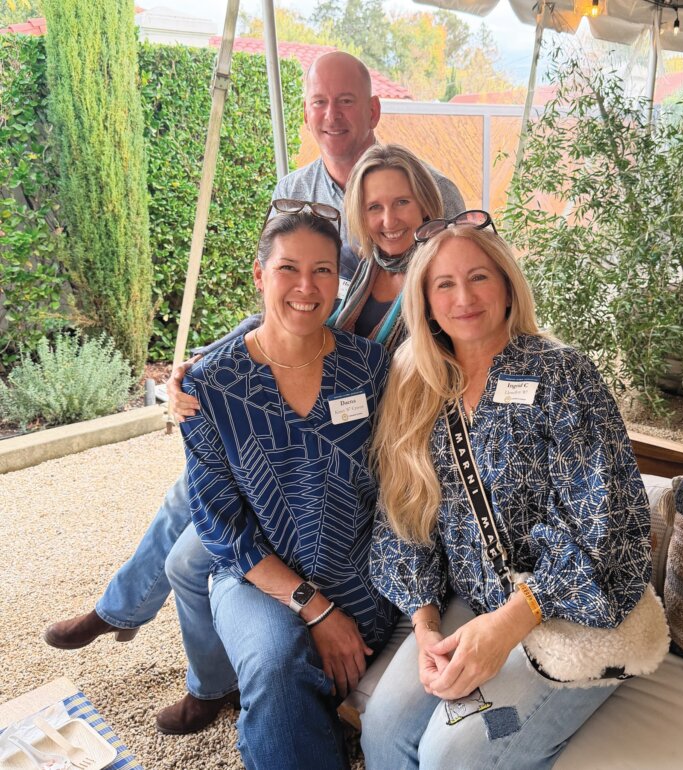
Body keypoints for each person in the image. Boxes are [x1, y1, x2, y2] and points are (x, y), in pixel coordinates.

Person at [43, 131, 456, 734]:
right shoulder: (365, 267)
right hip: (297, 404)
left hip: (356, 442)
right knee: (193, 490)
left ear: (427, 203)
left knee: (190, 561)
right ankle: (163, 644)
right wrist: (203, 364)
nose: (388, 219)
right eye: (374, 206)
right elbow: (285, 310)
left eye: (401, 203)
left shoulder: (437, 276)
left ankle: (190, 666)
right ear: (359, 215)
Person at [362, 218, 653, 770]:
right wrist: (426, 630)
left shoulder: (562, 373)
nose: (464, 297)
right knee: (382, 730)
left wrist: (507, 626)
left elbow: (609, 523)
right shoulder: (416, 383)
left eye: (479, 277)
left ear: (506, 284)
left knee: (450, 755)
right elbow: (402, 518)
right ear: (425, 302)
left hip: (573, 609)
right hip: (472, 603)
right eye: (444, 284)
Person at [178, 208, 399, 770]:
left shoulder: (370, 368)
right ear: (259, 274)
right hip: (257, 577)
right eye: (288, 269)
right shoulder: (211, 384)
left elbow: (401, 483)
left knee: (309, 681)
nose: (306, 286)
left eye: (323, 270)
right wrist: (315, 609)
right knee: (276, 662)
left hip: (361, 571)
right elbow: (221, 527)